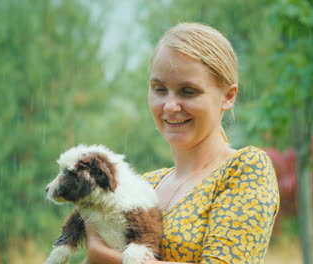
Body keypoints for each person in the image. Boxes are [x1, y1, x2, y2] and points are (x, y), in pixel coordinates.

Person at [85, 22, 280, 264]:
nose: (170, 106)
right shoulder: (146, 185)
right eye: (159, 89)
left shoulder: (244, 169)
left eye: (188, 91)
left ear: (228, 96)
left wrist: (106, 257)